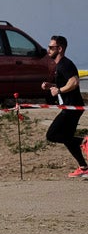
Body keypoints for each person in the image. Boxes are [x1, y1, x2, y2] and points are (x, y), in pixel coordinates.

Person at [40, 35, 85, 177]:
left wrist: (58, 90)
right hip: (70, 108)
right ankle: (83, 166)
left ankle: (84, 141)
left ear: (59, 49)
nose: (48, 50)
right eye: (48, 47)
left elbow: (74, 82)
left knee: (52, 135)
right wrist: (51, 86)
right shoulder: (60, 66)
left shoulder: (65, 64)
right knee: (68, 139)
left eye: (51, 47)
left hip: (71, 108)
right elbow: (65, 84)